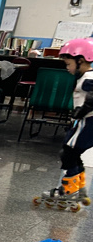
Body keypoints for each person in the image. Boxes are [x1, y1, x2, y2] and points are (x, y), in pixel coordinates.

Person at [33, 37, 93, 212]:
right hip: (86, 122)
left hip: (88, 122)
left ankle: (68, 191)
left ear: (80, 60)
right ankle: (79, 187)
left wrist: (81, 111)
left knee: (67, 153)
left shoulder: (88, 78)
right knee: (74, 154)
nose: (67, 68)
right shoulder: (87, 77)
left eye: (68, 64)